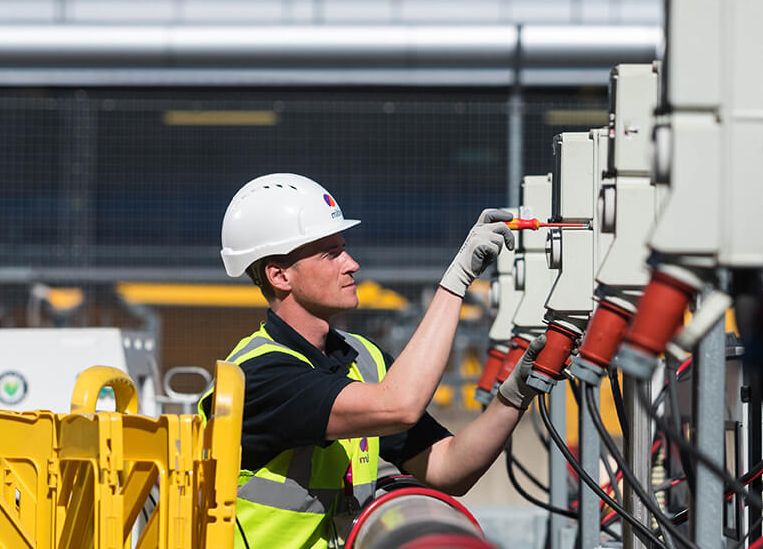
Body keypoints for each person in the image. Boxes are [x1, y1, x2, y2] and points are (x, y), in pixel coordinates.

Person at [200, 172, 548, 549]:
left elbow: (448, 469)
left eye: (343, 248)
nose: (351, 263)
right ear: (279, 275)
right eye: (330, 253)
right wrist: (457, 279)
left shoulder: (362, 360)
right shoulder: (260, 375)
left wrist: (514, 395)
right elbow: (399, 405)